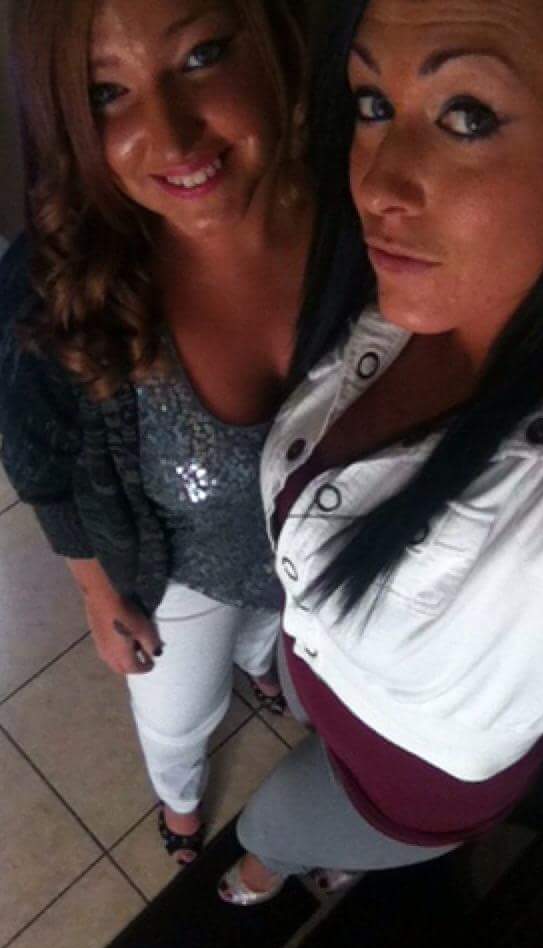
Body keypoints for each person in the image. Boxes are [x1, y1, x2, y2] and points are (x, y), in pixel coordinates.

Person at [217, 0, 543, 904]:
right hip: (312, 666)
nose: (377, 184)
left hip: (407, 791)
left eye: (467, 115)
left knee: (267, 826)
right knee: (296, 693)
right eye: (374, 104)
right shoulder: (394, 293)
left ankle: (260, 880)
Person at [0, 0, 313, 865]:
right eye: (106, 93)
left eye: (202, 55)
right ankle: (179, 803)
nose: (171, 137)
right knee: (179, 715)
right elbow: (39, 463)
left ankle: (259, 664)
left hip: (303, 563)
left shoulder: (369, 216)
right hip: (176, 578)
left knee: (266, 634)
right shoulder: (49, 288)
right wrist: (99, 594)